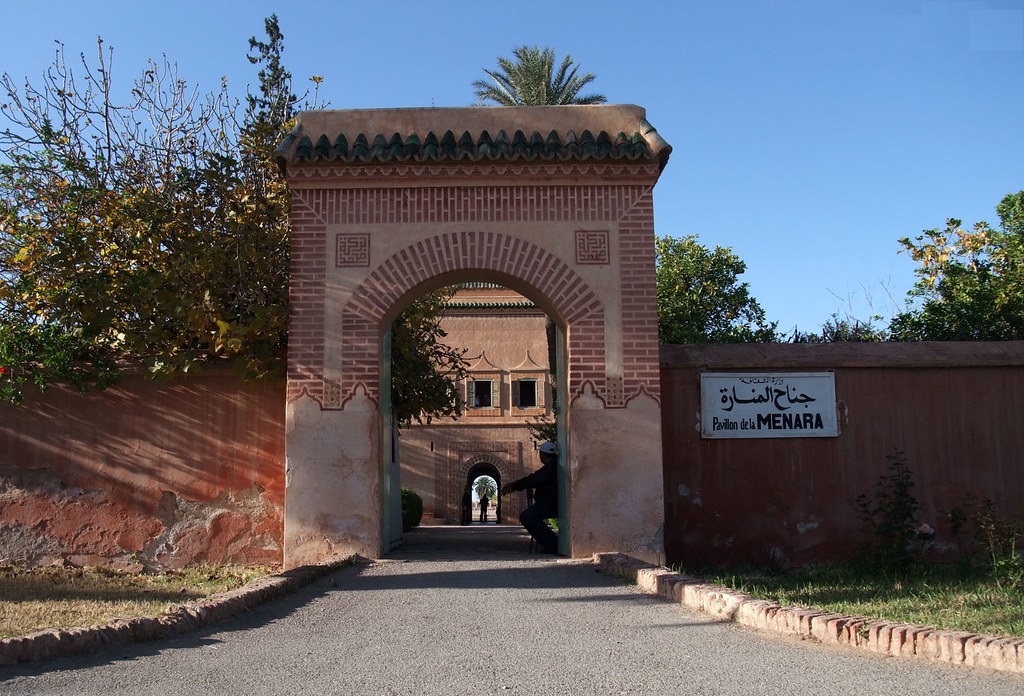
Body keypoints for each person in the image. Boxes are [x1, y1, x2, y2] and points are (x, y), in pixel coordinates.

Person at [501, 441, 559, 554]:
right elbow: (535, 479)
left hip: (550, 504)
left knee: (527, 517)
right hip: (549, 503)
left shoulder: (551, 467)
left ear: (542, 454)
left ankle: (554, 544)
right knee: (529, 516)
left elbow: (535, 478)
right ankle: (553, 544)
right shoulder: (552, 465)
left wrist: (514, 485)